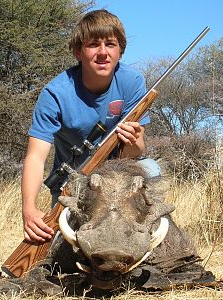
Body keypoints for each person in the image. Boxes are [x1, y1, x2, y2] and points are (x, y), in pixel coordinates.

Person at [22, 9, 158, 243]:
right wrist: (29, 210)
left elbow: (136, 153)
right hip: (73, 182)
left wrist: (134, 142)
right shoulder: (55, 93)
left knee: (152, 169)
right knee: (58, 246)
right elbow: (35, 157)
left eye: (111, 44)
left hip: (117, 178)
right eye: (94, 44)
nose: (103, 53)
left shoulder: (132, 82)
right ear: (78, 52)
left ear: (120, 51)